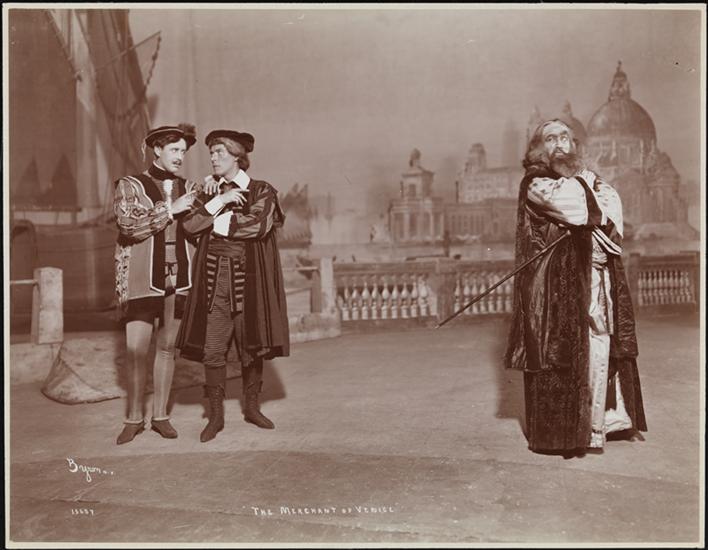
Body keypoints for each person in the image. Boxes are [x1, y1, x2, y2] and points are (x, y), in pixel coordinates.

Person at [504, 119, 647, 457]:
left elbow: (613, 207)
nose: (559, 144)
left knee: (599, 343)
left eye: (565, 137)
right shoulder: (536, 183)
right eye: (550, 138)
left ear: (574, 144)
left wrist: (591, 197)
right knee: (563, 353)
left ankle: (598, 426)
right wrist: (587, 189)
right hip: (554, 289)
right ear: (538, 148)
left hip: (595, 278)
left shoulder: (587, 179)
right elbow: (578, 209)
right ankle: (567, 433)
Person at [176, 129, 289, 443]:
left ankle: (252, 408)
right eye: (211, 153)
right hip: (214, 283)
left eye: (220, 153)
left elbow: (259, 225)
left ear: (238, 157)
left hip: (250, 282)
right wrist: (220, 201)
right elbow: (190, 226)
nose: (213, 158)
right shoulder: (210, 192)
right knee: (213, 349)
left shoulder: (262, 190)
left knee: (252, 347)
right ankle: (215, 417)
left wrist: (214, 221)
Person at [113, 123, 199, 444]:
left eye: (183, 152)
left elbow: (201, 227)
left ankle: (161, 416)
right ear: (157, 149)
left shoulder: (189, 187)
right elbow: (128, 225)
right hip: (141, 279)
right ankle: (134, 419)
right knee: (136, 351)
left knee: (167, 349)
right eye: (174, 150)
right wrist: (171, 209)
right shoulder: (130, 185)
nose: (180, 157)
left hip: (180, 278)